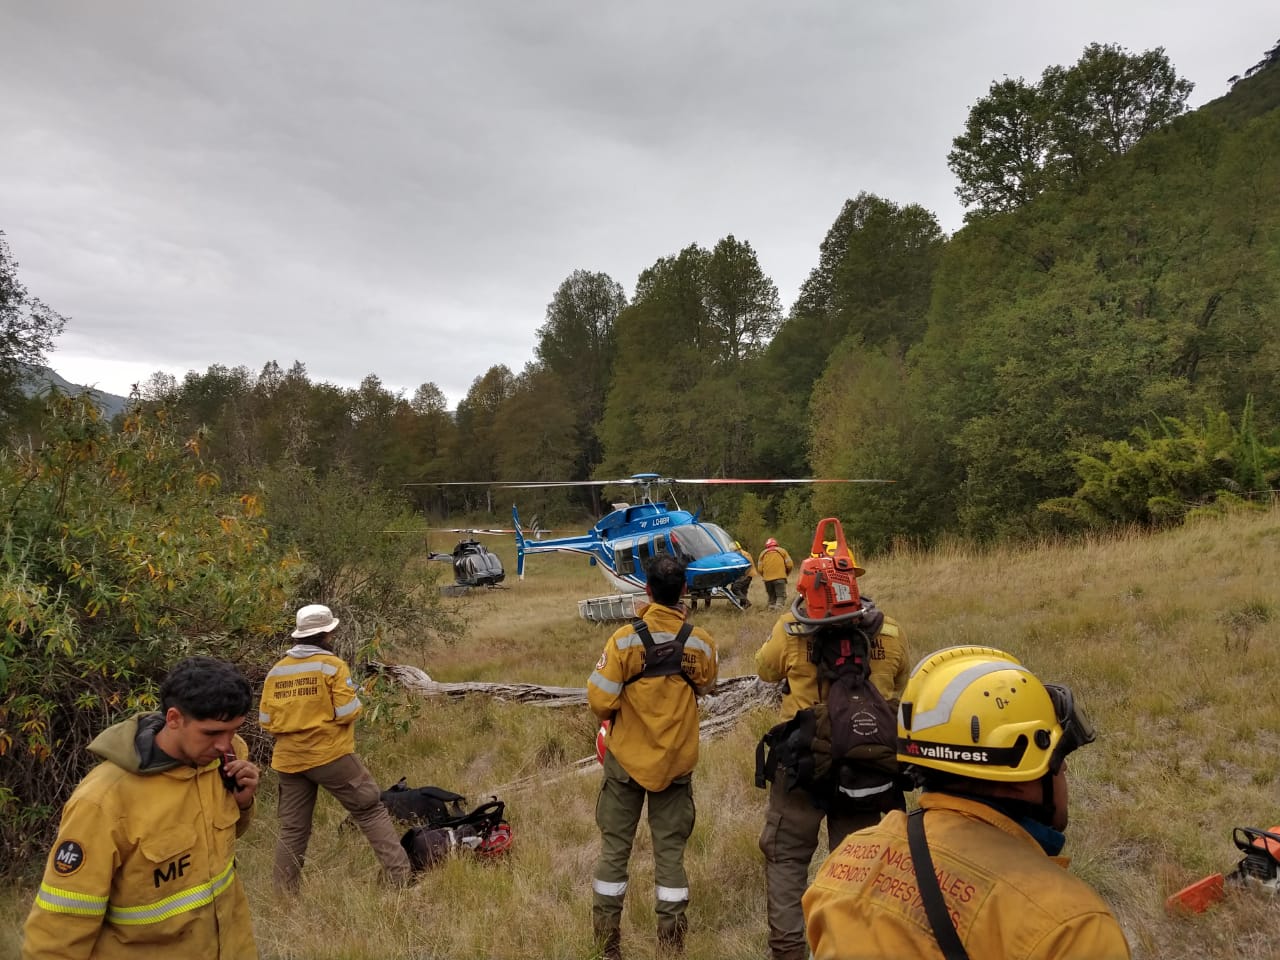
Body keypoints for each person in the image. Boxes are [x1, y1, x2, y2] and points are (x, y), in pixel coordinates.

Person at [803, 646, 1132, 959]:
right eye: (1058, 756)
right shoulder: (1072, 926)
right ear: (1023, 765)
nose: (1065, 768)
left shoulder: (845, 862)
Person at [22, 657, 261, 959]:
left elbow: (220, 840)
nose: (225, 745)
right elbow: (61, 923)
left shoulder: (227, 757)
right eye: (212, 733)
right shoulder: (102, 801)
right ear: (174, 718)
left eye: (234, 729)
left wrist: (244, 803)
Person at [755, 545, 910, 960]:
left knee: (787, 859)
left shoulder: (790, 628)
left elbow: (765, 668)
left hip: (801, 766)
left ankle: (789, 952)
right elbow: (901, 680)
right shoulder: (890, 632)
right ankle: (853, 948)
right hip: (866, 766)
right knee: (859, 864)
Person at [587, 555, 719, 959]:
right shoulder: (700, 642)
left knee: (614, 851)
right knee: (670, 856)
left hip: (626, 763)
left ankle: (607, 946)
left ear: (646, 589)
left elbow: (598, 699)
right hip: (676, 764)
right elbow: (707, 685)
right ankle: (672, 944)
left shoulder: (624, 640)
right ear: (683, 591)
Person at [259, 603, 412, 892]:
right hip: (330, 755)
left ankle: (283, 897)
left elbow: (266, 721)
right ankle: (400, 880)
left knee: (293, 830)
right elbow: (348, 712)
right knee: (369, 809)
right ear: (328, 633)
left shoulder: (276, 672)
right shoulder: (332, 666)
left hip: (289, 760)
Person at [757, 537, 794, 610]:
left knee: (771, 597)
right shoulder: (782, 551)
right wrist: (786, 574)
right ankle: (778, 610)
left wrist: (765, 576)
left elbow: (760, 569)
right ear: (776, 544)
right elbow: (790, 565)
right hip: (780, 578)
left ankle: (771, 610)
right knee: (780, 596)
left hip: (767, 580)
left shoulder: (762, 553)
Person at [730, 539, 756, 607]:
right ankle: (743, 606)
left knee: (735, 588)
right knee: (743, 590)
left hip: (747, 574)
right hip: (746, 575)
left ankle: (746, 602)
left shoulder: (744, 554)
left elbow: (748, 566)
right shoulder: (741, 554)